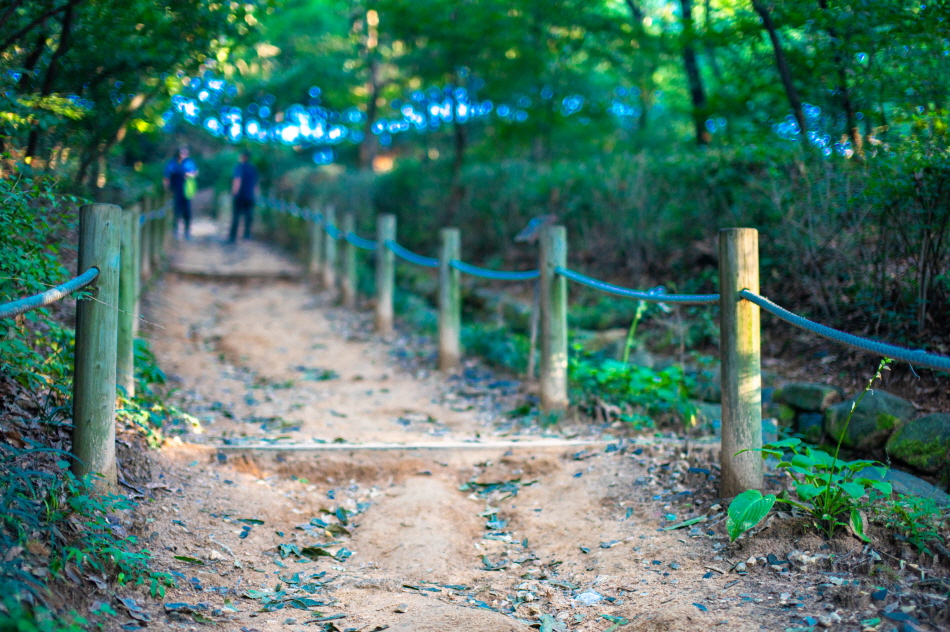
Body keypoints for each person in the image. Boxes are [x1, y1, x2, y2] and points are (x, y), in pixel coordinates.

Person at [163, 145, 198, 239]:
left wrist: (190, 175)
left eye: (185, 153)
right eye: (182, 152)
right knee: (176, 211)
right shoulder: (172, 163)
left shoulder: (189, 162)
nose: (184, 155)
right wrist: (166, 188)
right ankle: (175, 231)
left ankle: (187, 232)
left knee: (187, 211)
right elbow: (166, 176)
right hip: (176, 191)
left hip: (186, 191)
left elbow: (195, 172)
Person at [230, 149, 259, 243]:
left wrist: (234, 193)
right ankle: (246, 235)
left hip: (240, 196)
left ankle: (233, 237)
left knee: (236, 217)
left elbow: (237, 180)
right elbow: (256, 185)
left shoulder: (239, 167)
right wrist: (255, 195)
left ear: (243, 157)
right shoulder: (253, 168)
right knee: (248, 216)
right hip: (250, 196)